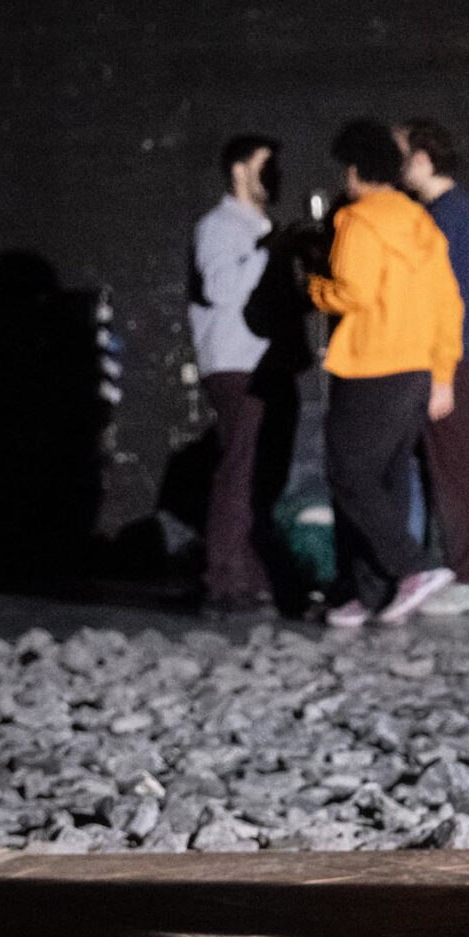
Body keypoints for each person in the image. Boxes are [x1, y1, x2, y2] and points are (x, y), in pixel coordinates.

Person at [307, 118, 464, 627]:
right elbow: (448, 302)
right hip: (415, 368)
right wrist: (443, 374)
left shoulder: (358, 220)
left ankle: (413, 567)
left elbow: (351, 292)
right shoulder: (419, 221)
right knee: (388, 479)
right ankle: (372, 592)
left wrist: (313, 287)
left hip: (370, 364)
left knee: (348, 473)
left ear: (354, 170)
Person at [188, 134, 300, 614]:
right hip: (237, 362)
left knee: (258, 475)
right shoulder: (218, 226)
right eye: (263, 164)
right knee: (241, 468)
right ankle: (226, 578)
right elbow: (220, 287)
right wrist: (266, 252)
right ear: (239, 170)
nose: (273, 174)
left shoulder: (260, 225)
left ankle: (249, 575)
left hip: (266, 364)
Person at [395, 118, 469, 614]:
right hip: (454, 356)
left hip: (452, 358)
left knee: (453, 468)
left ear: (421, 158)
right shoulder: (451, 210)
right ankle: (462, 573)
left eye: (400, 155)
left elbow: (445, 297)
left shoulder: (449, 213)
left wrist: (441, 374)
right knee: (445, 466)